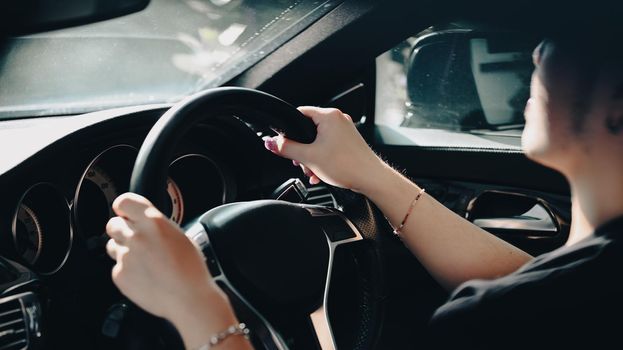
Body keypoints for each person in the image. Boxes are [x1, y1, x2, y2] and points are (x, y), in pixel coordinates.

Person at [105, 36, 623, 349]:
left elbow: (515, 308)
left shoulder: (497, 322)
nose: (536, 52)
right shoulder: (580, 292)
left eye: (565, 40)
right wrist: (369, 174)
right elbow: (525, 292)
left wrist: (197, 306)